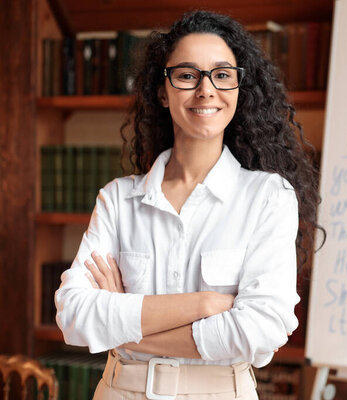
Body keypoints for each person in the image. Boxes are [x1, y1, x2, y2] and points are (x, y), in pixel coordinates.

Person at [55, 9, 321, 400]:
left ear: (238, 89)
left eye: (222, 74)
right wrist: (204, 303)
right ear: (162, 91)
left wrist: (124, 323)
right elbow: (74, 316)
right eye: (186, 75)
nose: (206, 89)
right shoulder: (117, 199)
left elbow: (261, 330)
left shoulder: (268, 197)